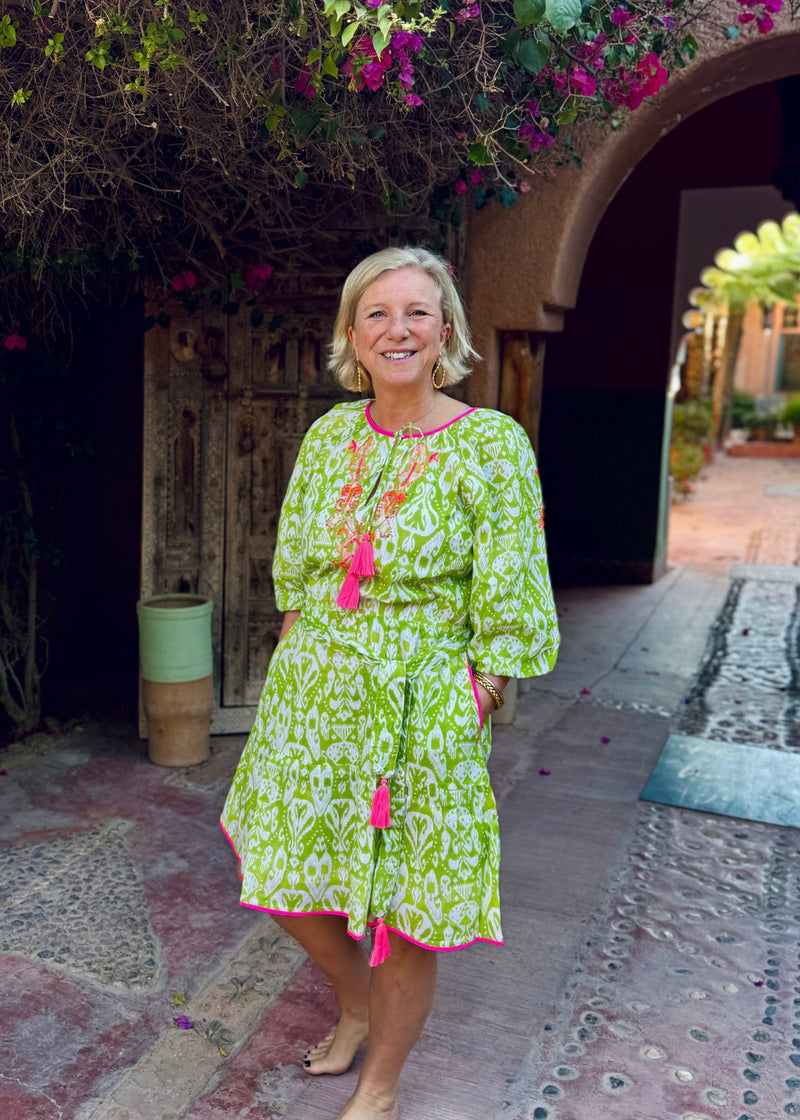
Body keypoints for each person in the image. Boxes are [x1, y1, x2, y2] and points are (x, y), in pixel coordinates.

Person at [220, 246, 560, 1120]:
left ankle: (381, 1081)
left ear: (445, 330)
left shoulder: (491, 445)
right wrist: (295, 648)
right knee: (286, 867)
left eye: (417, 311)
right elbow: (298, 559)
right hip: (316, 691)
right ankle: (357, 1003)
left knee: (407, 904)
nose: (397, 329)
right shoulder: (333, 434)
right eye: (377, 314)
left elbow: (514, 586)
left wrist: (478, 692)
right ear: (353, 336)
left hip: (427, 700)